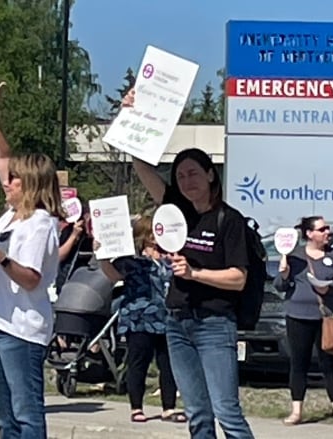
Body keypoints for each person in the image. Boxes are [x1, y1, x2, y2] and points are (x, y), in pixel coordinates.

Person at [125, 89, 254, 438]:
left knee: (227, 413)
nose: (186, 181)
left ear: (211, 175)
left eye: (193, 173)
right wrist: (132, 118)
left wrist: (195, 273)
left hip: (214, 325)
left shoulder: (229, 220)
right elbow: (141, 167)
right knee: (197, 415)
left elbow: (238, 278)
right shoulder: (175, 210)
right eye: (180, 176)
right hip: (176, 323)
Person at [0, 82, 63, 438]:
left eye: (13, 180)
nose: (5, 183)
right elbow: (0, 157)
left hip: (21, 329)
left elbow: (31, 279)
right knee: (5, 417)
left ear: (30, 184)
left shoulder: (40, 224)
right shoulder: (13, 214)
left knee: (26, 414)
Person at [96, 215, 185, 424]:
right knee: (138, 363)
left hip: (167, 317)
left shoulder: (170, 258)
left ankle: (169, 407)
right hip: (139, 318)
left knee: (168, 363)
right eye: (154, 231)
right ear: (146, 235)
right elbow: (113, 275)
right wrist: (100, 255)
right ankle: (136, 407)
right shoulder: (132, 260)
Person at [275, 216, 333, 428]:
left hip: (327, 317)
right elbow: (281, 287)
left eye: (327, 228)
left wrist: (330, 288)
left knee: (330, 363)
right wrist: (283, 274)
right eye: (322, 229)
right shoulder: (295, 256)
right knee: (298, 363)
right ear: (309, 234)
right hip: (298, 316)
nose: (327, 232)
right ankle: (296, 411)